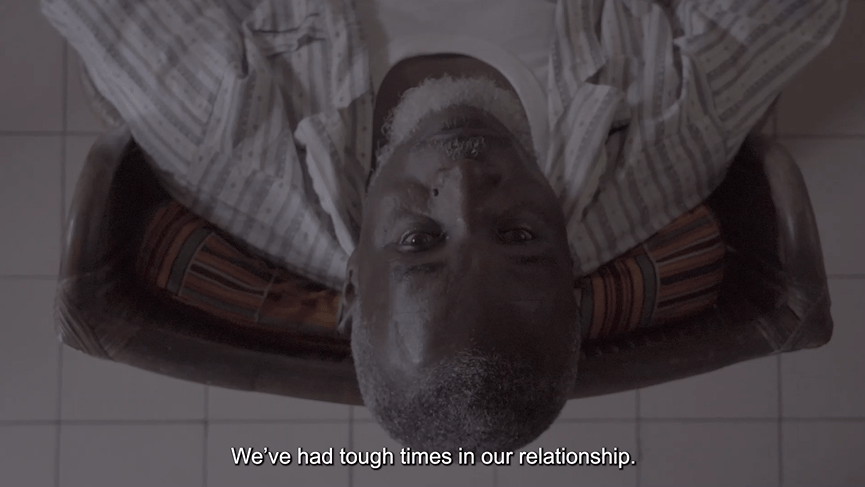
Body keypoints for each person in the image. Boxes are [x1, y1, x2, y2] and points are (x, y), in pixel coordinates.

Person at [43, 0, 846, 453]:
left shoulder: (229, 130)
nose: (463, 185)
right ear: (574, 261)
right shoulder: (657, 132)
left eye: (419, 242)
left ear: (351, 277)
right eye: (519, 236)